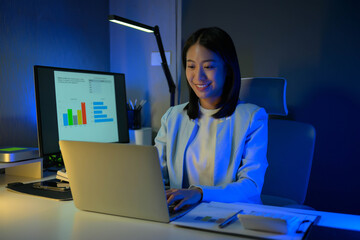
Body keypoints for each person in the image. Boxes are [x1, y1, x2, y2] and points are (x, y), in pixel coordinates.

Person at [155, 27, 268, 212]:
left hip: (232, 215)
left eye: (208, 66)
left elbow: (251, 186)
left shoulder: (252, 118)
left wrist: (200, 193)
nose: (198, 76)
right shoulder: (172, 116)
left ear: (227, 68)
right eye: (191, 66)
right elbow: (155, 175)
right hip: (180, 214)